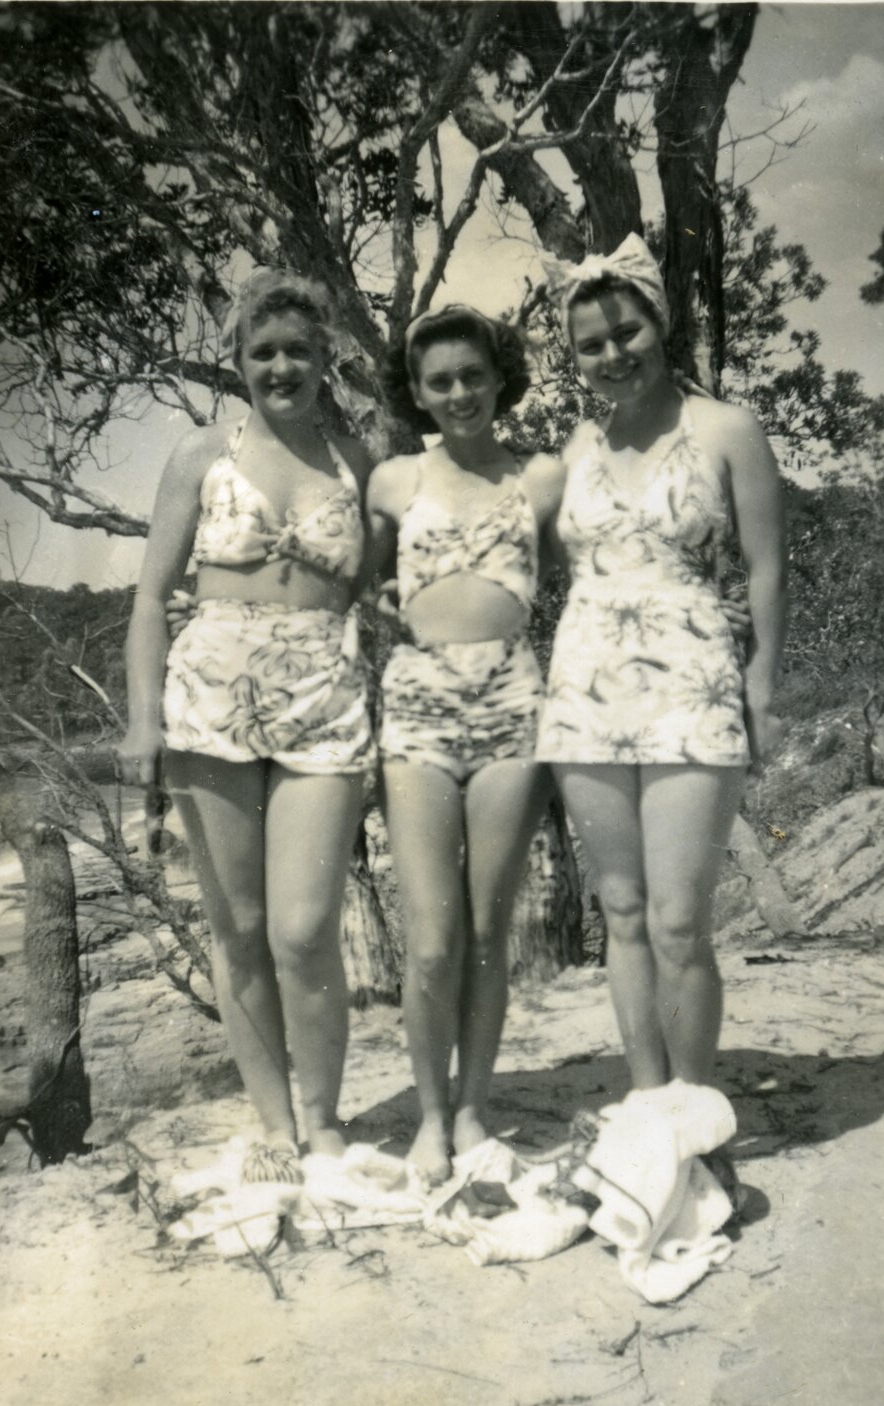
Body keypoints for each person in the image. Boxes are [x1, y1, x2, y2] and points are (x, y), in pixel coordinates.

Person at [116, 267, 374, 1181]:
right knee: (241, 928)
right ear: (237, 361)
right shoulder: (199, 457)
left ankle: (324, 1115)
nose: (282, 366)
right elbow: (150, 599)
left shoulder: (357, 463)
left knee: (304, 929)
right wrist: (143, 723)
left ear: (326, 357)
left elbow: (381, 593)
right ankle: (273, 1125)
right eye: (262, 352)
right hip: (210, 704)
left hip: (325, 703)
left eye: (299, 350)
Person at [537, 235, 786, 1095]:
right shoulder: (573, 449)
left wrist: (761, 689)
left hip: (693, 684)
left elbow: (764, 566)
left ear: (659, 322)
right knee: (625, 914)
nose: (613, 355)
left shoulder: (725, 428)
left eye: (626, 332)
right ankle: (648, 1108)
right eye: (591, 344)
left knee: (681, 919)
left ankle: (694, 1111)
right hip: (583, 692)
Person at [366, 306, 563, 1184]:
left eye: (471, 375)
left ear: (499, 376)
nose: (458, 393)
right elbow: (362, 578)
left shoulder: (540, 477)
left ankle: (475, 1112)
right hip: (417, 703)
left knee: (488, 927)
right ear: (416, 392)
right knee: (434, 938)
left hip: (513, 697)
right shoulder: (393, 480)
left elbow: (564, 570)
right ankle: (430, 1119)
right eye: (438, 380)